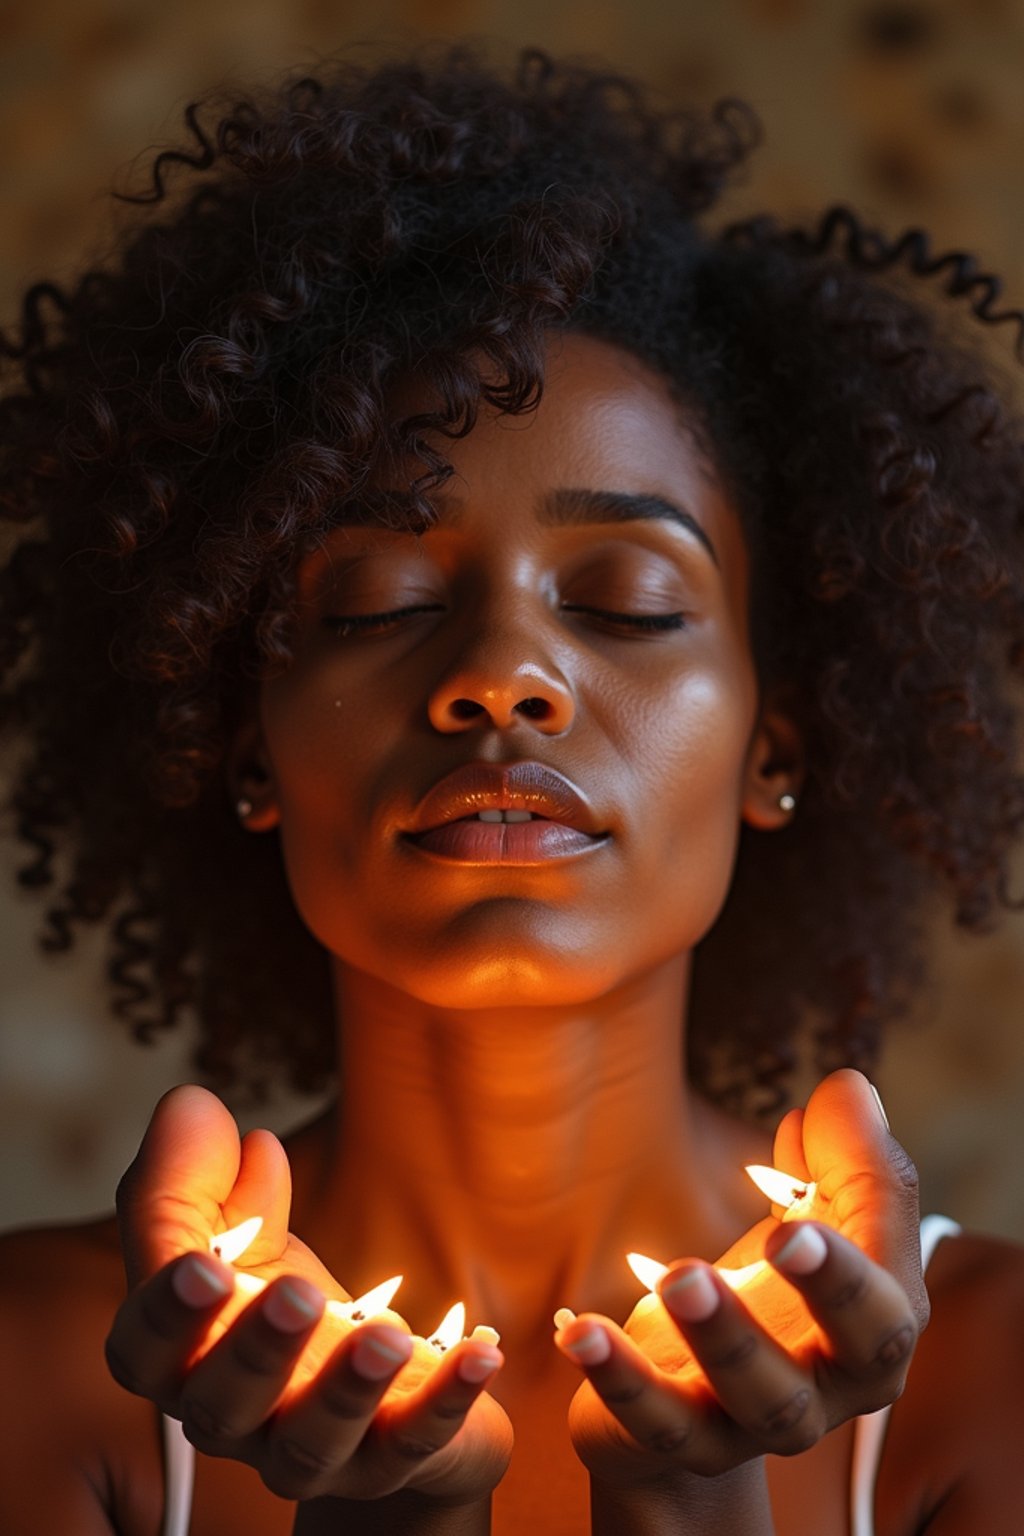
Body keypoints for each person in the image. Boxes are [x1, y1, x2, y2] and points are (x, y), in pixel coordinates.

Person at [0, 43, 1022, 1536]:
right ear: (245, 750)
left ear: (775, 746)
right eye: (373, 600)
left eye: (622, 598)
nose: (500, 676)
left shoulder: (988, 1378)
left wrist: (691, 1504)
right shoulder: (42, 1370)